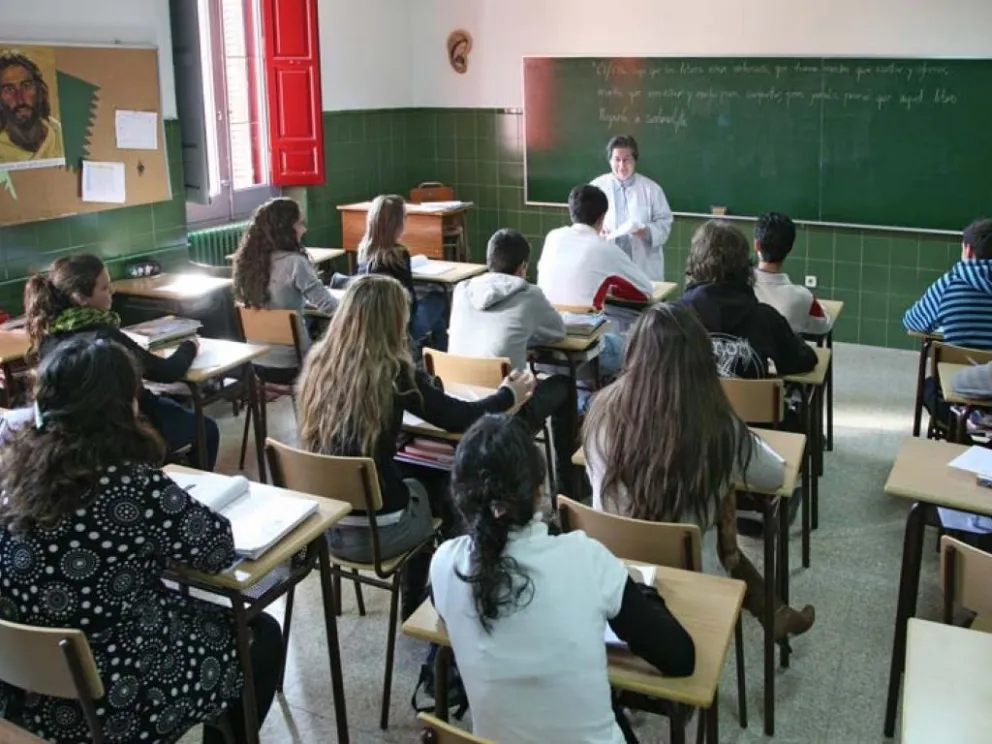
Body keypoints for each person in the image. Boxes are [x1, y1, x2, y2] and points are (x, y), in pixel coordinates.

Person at [0, 338, 282, 744]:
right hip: (113, 696)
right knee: (259, 634)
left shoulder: (13, 472)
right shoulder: (129, 484)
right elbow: (217, 550)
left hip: (26, 691)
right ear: (121, 405)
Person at [431, 413, 695, 743]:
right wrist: (644, 595)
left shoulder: (444, 565)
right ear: (539, 491)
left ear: (459, 495)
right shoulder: (586, 559)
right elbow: (681, 658)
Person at [296, 274, 536, 619]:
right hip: (381, 533)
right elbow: (458, 417)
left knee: (409, 469)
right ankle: (437, 599)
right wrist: (508, 395)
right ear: (393, 322)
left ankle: (427, 597)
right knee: (452, 487)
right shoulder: (391, 373)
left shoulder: (318, 364)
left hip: (327, 526)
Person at [583, 303, 815, 643]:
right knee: (718, 526)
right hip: (688, 573)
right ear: (703, 362)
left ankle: (775, 611)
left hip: (611, 566)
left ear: (634, 354)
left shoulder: (600, 410)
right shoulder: (716, 425)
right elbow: (774, 477)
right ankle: (775, 611)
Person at [23, 254, 220, 470]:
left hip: (75, 436)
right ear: (80, 297)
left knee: (172, 405)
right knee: (207, 430)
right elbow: (167, 372)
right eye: (105, 288)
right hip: (129, 426)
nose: (112, 292)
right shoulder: (104, 335)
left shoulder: (48, 334)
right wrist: (189, 346)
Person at [448, 227, 579, 491]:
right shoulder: (529, 294)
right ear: (522, 267)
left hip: (457, 405)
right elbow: (557, 332)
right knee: (564, 383)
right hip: (505, 413)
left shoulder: (462, 289)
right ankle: (569, 486)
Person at [538, 184, 654, 376]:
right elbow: (645, 291)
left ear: (572, 212)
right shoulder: (603, 248)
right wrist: (610, 288)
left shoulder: (553, 237)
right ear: (602, 218)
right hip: (584, 354)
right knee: (641, 348)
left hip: (544, 349)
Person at [680, 219, 818, 379]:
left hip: (690, 404)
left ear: (693, 262)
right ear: (745, 264)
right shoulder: (767, 320)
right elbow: (802, 361)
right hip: (749, 404)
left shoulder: (669, 319)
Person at [232, 196, 338, 384]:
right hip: (292, 362)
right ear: (285, 229)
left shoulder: (245, 263)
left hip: (256, 360)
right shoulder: (295, 263)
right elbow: (329, 306)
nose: (304, 229)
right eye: (300, 224)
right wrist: (355, 305)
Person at [903, 218, 992, 427]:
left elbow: (913, 321)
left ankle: (964, 431)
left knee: (929, 388)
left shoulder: (951, 283)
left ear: (968, 251)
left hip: (959, 396)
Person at [357, 194, 448, 359]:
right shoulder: (398, 254)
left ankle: (421, 351)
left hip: (373, 326)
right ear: (397, 224)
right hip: (402, 327)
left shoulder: (364, 251)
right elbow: (409, 299)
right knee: (440, 297)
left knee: (436, 318)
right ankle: (438, 360)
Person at [590, 134, 673, 281]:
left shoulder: (651, 189)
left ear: (635, 160)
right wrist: (595, 230)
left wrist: (647, 231)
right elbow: (585, 223)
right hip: (608, 264)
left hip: (643, 268)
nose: (622, 165)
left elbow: (665, 223)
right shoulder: (596, 187)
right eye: (617, 160)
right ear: (610, 161)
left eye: (627, 159)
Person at [753, 212, 832, 336]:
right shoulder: (803, 297)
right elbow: (824, 325)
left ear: (756, 245)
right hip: (781, 355)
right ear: (790, 248)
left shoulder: (736, 287)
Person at [0, 50, 64, 163]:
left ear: (40, 90)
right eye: (9, 89)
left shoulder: (62, 138)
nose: (20, 97)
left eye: (26, 85)